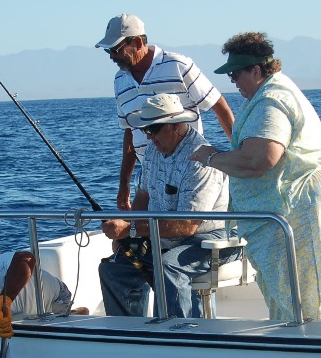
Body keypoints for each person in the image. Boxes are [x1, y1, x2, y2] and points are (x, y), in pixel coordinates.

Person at [190, 32, 321, 322]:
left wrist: (211, 157)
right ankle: (293, 353)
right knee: (288, 297)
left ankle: (313, 354)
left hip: (296, 210)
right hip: (290, 207)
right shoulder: (272, 92)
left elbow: (260, 159)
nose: (232, 80)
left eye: (236, 73)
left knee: (302, 301)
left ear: (256, 70)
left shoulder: (270, 100)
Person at [98, 93, 238, 319]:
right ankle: (130, 334)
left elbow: (187, 226)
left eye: (154, 129)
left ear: (178, 126)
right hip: (164, 236)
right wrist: (125, 235)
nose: (149, 137)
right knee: (113, 268)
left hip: (210, 240)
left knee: (168, 266)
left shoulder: (201, 159)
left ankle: (180, 334)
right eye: (146, 130)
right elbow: (143, 195)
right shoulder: (154, 150)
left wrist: (130, 229)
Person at [95, 13, 235, 210]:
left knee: (180, 229)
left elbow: (218, 106)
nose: (112, 56)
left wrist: (240, 158)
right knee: (135, 235)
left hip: (187, 173)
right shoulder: (120, 81)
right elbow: (130, 131)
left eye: (116, 49)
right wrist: (124, 186)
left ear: (136, 41)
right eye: (108, 51)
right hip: (149, 177)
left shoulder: (178, 65)